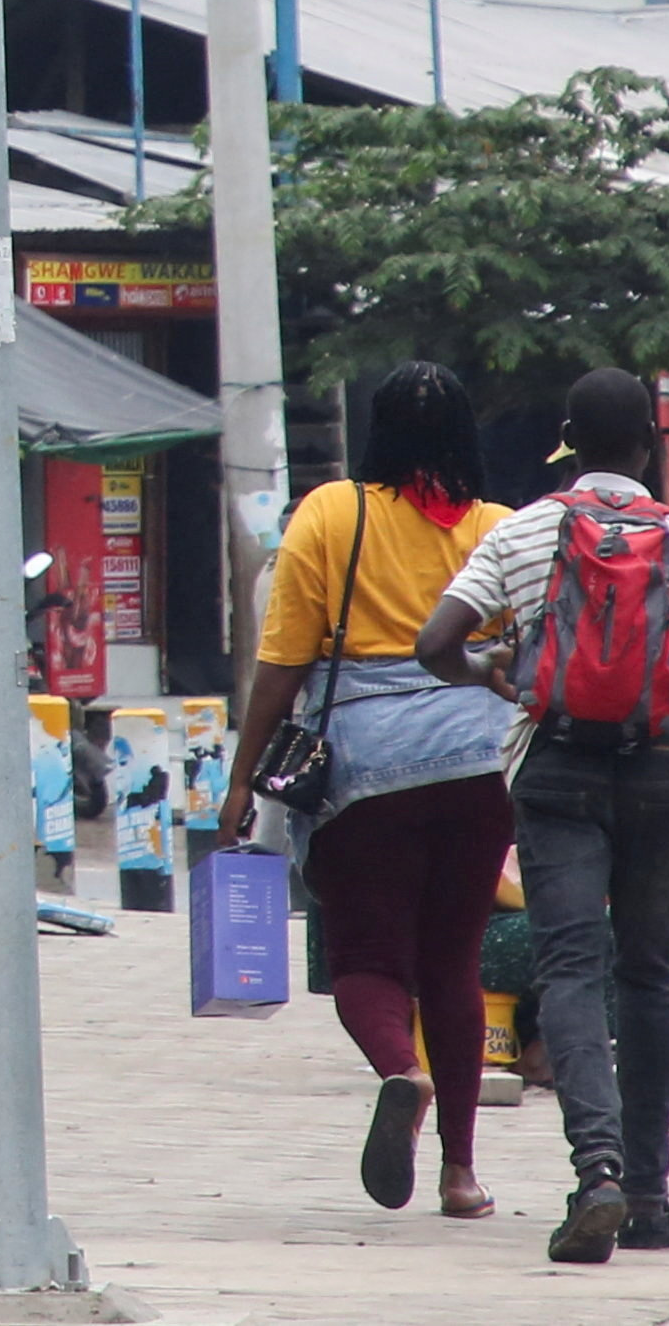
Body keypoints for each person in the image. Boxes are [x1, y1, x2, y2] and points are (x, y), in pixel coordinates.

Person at [415, 367, 669, 1270]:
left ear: (570, 443)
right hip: (659, 776)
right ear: (651, 446)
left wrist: (494, 671)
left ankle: (599, 1173)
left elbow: (432, 644)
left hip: (555, 772)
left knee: (571, 969)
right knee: (650, 977)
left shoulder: (527, 528)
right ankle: (651, 1195)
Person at [217, 362, 516, 1221]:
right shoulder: (500, 528)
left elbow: (282, 665)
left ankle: (401, 1073)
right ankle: (461, 1177)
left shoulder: (331, 513)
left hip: (366, 770)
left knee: (365, 960)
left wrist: (245, 779)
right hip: (478, 765)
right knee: (453, 963)